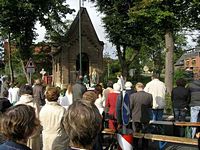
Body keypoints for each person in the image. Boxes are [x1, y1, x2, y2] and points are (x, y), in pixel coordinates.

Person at [15, 84, 41, 150]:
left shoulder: (17, 105)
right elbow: (38, 118)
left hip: (21, 135)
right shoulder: (35, 104)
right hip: (33, 133)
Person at [130, 82, 153, 149]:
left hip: (135, 116)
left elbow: (130, 106)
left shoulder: (133, 96)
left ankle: (135, 147)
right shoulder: (149, 95)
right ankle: (145, 147)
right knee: (145, 133)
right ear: (143, 87)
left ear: (137, 87)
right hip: (146, 117)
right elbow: (150, 106)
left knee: (136, 133)